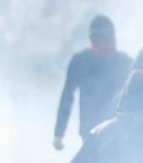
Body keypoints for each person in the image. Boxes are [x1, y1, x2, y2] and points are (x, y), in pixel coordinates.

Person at [53, 14, 131, 150]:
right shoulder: (81, 62)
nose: (104, 44)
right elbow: (67, 97)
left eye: (108, 38)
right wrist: (59, 133)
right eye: (99, 39)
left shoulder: (125, 63)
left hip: (120, 132)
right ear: (92, 40)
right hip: (90, 133)